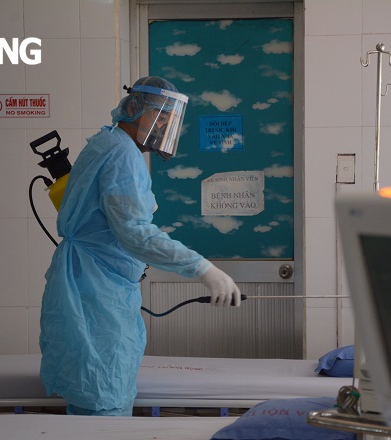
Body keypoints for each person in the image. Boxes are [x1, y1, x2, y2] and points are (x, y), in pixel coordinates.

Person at [39, 76, 241, 416]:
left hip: (88, 283)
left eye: (168, 120)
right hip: (97, 291)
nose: (164, 127)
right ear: (134, 109)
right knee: (103, 401)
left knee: (97, 395)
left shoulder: (105, 144)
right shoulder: (122, 155)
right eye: (159, 117)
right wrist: (203, 268)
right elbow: (135, 232)